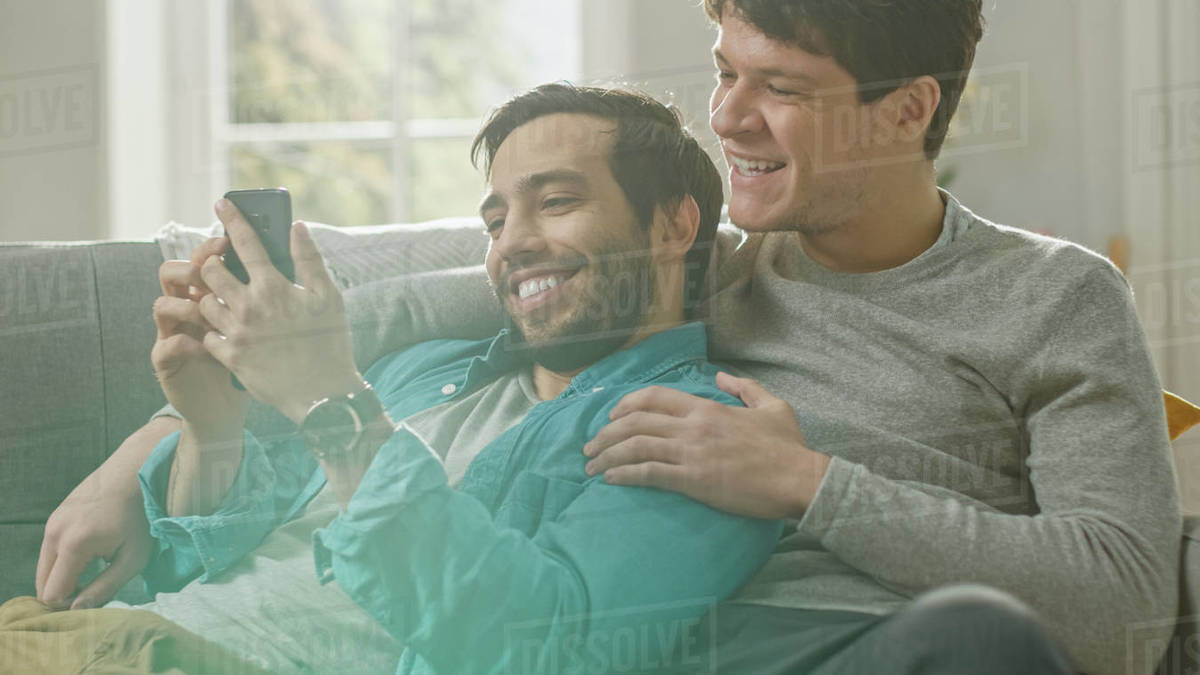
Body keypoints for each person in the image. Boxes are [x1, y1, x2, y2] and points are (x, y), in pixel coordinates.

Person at [40, 2, 1181, 674]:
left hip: (833, 657)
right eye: (726, 70)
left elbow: (1128, 608)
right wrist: (142, 446)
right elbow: (368, 315)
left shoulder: (1050, 297)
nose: (728, 118)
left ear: (906, 110)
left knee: (973, 641)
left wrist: (805, 483)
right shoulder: (698, 264)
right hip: (620, 634)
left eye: (778, 86)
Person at [13, 85, 782, 674]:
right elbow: (191, 561)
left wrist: (330, 401)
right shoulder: (426, 371)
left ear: (676, 225)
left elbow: (547, 645)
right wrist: (209, 428)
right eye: (494, 222)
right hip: (83, 634)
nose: (513, 244)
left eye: (555, 202)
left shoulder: (699, 432)